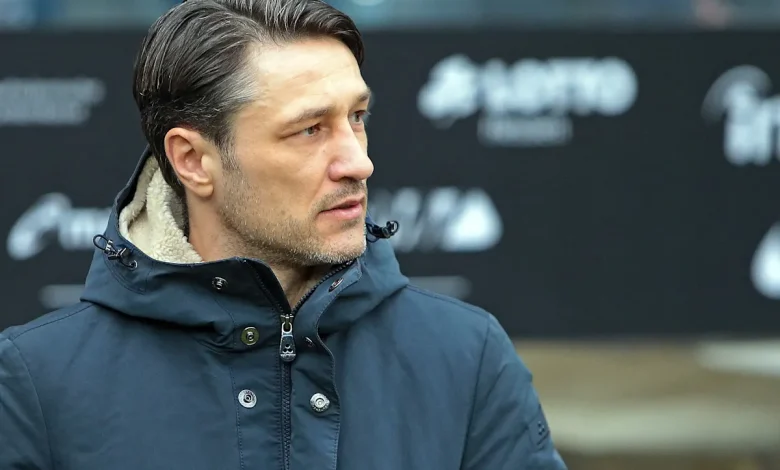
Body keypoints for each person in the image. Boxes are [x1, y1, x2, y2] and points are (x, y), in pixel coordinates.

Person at [0, 1, 568, 468]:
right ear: (193, 160)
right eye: (310, 129)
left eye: (358, 118)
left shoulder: (466, 356)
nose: (358, 162)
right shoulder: (37, 381)